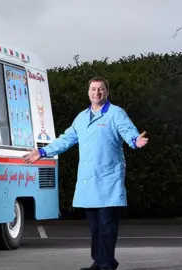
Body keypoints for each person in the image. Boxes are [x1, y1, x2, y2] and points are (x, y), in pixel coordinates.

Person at [23, 76, 148, 270]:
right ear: (88, 92)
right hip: (88, 181)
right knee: (95, 226)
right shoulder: (81, 118)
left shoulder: (116, 113)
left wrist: (135, 141)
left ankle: (106, 263)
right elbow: (65, 140)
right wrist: (42, 152)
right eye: (93, 89)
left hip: (109, 180)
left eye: (101, 89)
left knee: (107, 224)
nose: (97, 92)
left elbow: (128, 131)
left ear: (107, 92)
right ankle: (99, 261)